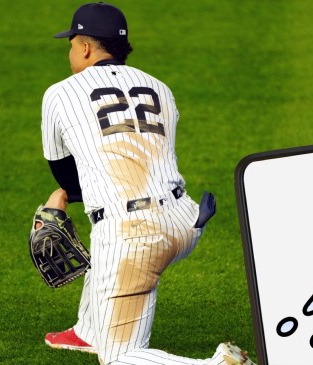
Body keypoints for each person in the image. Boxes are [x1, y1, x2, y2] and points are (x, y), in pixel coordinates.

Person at [38, 3, 256, 364]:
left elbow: (65, 174)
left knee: (120, 358)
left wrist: (61, 197)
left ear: (86, 48)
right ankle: (87, 331)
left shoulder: (60, 93)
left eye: (72, 44)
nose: (70, 51)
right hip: (186, 219)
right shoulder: (160, 88)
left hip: (135, 237)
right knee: (106, 219)